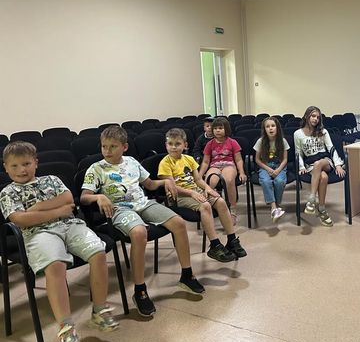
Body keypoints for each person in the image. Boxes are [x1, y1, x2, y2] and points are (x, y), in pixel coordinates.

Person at [0, 141, 118, 342]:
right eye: (14, 166)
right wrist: (57, 211)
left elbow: (67, 199)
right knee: (55, 265)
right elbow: (19, 220)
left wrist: (36, 209)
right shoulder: (8, 192)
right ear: (6, 167)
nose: (21, 170)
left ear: (36, 163)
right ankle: (66, 328)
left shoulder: (52, 180)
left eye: (26, 164)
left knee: (98, 252)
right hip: (38, 234)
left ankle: (99, 310)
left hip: (71, 225)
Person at [80, 126, 204, 318]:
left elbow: (150, 185)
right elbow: (84, 197)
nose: (107, 151)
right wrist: (98, 197)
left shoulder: (132, 162)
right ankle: (140, 290)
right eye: (104, 146)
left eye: (113, 146)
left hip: (143, 204)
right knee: (139, 233)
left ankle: (187, 275)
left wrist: (165, 182)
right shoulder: (96, 168)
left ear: (125, 147)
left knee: (179, 223)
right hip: (119, 209)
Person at [158, 128, 246, 262]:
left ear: (185, 145)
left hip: (195, 191)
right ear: (166, 145)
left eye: (177, 144)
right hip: (178, 197)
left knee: (221, 201)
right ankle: (215, 245)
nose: (174, 147)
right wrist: (192, 193)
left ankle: (232, 240)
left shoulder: (189, 159)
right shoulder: (165, 163)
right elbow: (172, 186)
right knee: (205, 206)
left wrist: (208, 188)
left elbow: (198, 180)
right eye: (170, 144)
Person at [294, 106, 345, 227]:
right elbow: (298, 153)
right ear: (306, 116)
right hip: (310, 163)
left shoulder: (323, 131)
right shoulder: (298, 134)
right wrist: (301, 167)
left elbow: (331, 148)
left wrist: (338, 165)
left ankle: (311, 199)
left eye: (318, 117)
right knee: (324, 177)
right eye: (313, 116)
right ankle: (322, 209)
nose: (315, 119)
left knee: (319, 164)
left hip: (325, 161)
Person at [198, 117, 246, 225]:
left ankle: (232, 210)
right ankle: (215, 207)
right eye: (215, 128)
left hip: (229, 165)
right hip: (214, 166)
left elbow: (238, 159)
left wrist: (242, 172)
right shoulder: (210, 144)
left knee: (229, 180)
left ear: (226, 129)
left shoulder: (232, 142)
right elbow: (205, 161)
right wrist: (200, 175)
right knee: (210, 181)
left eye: (220, 128)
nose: (217, 130)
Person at [253, 117, 290, 222]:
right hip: (265, 165)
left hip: (279, 165)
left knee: (279, 181)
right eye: (267, 126)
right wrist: (268, 169)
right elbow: (257, 160)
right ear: (264, 129)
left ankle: (276, 206)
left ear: (277, 128)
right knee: (265, 181)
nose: (270, 128)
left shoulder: (283, 141)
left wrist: (278, 170)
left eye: (273, 126)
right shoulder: (260, 141)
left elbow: (285, 159)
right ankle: (274, 207)